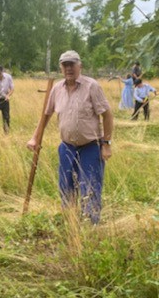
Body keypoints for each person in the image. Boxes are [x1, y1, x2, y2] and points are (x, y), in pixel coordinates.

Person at [27, 50, 113, 225]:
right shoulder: (57, 89)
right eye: (65, 65)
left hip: (90, 147)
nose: (68, 68)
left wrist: (106, 143)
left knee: (90, 187)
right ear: (60, 67)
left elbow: (108, 115)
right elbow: (46, 115)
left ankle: (90, 225)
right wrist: (35, 138)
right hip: (67, 147)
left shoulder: (92, 86)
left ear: (79, 65)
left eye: (72, 64)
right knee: (66, 186)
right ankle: (70, 222)